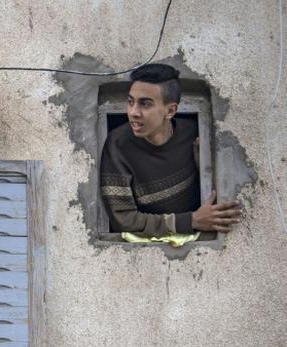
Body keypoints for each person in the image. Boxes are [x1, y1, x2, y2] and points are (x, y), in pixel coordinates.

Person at [100, 63, 242, 237]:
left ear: (170, 111)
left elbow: (220, 195)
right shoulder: (118, 144)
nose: (133, 112)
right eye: (130, 102)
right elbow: (123, 220)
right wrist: (190, 221)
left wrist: (203, 167)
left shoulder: (196, 134)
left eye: (145, 104)